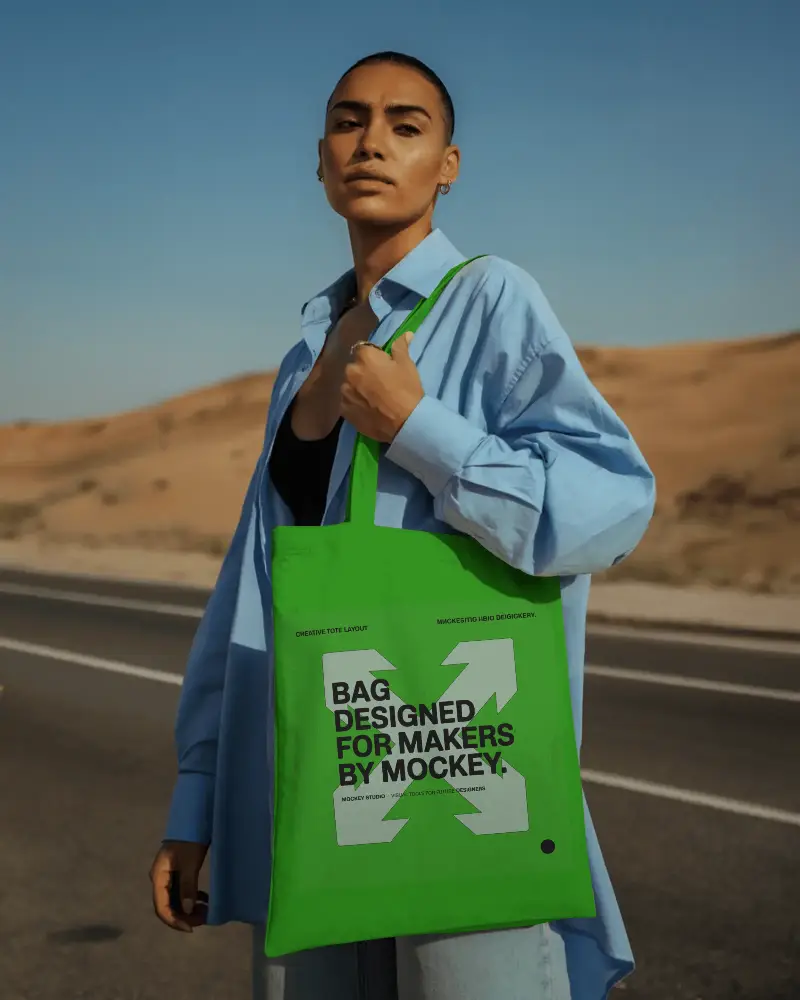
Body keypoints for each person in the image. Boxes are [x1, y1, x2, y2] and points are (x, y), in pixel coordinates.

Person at [149, 51, 656, 1000]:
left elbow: (611, 504)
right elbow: (251, 592)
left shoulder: (490, 298)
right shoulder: (307, 350)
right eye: (349, 121)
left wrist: (419, 431)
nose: (372, 142)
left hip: (454, 761)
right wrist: (198, 797)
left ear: (447, 165)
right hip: (310, 781)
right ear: (320, 157)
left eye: (405, 125)